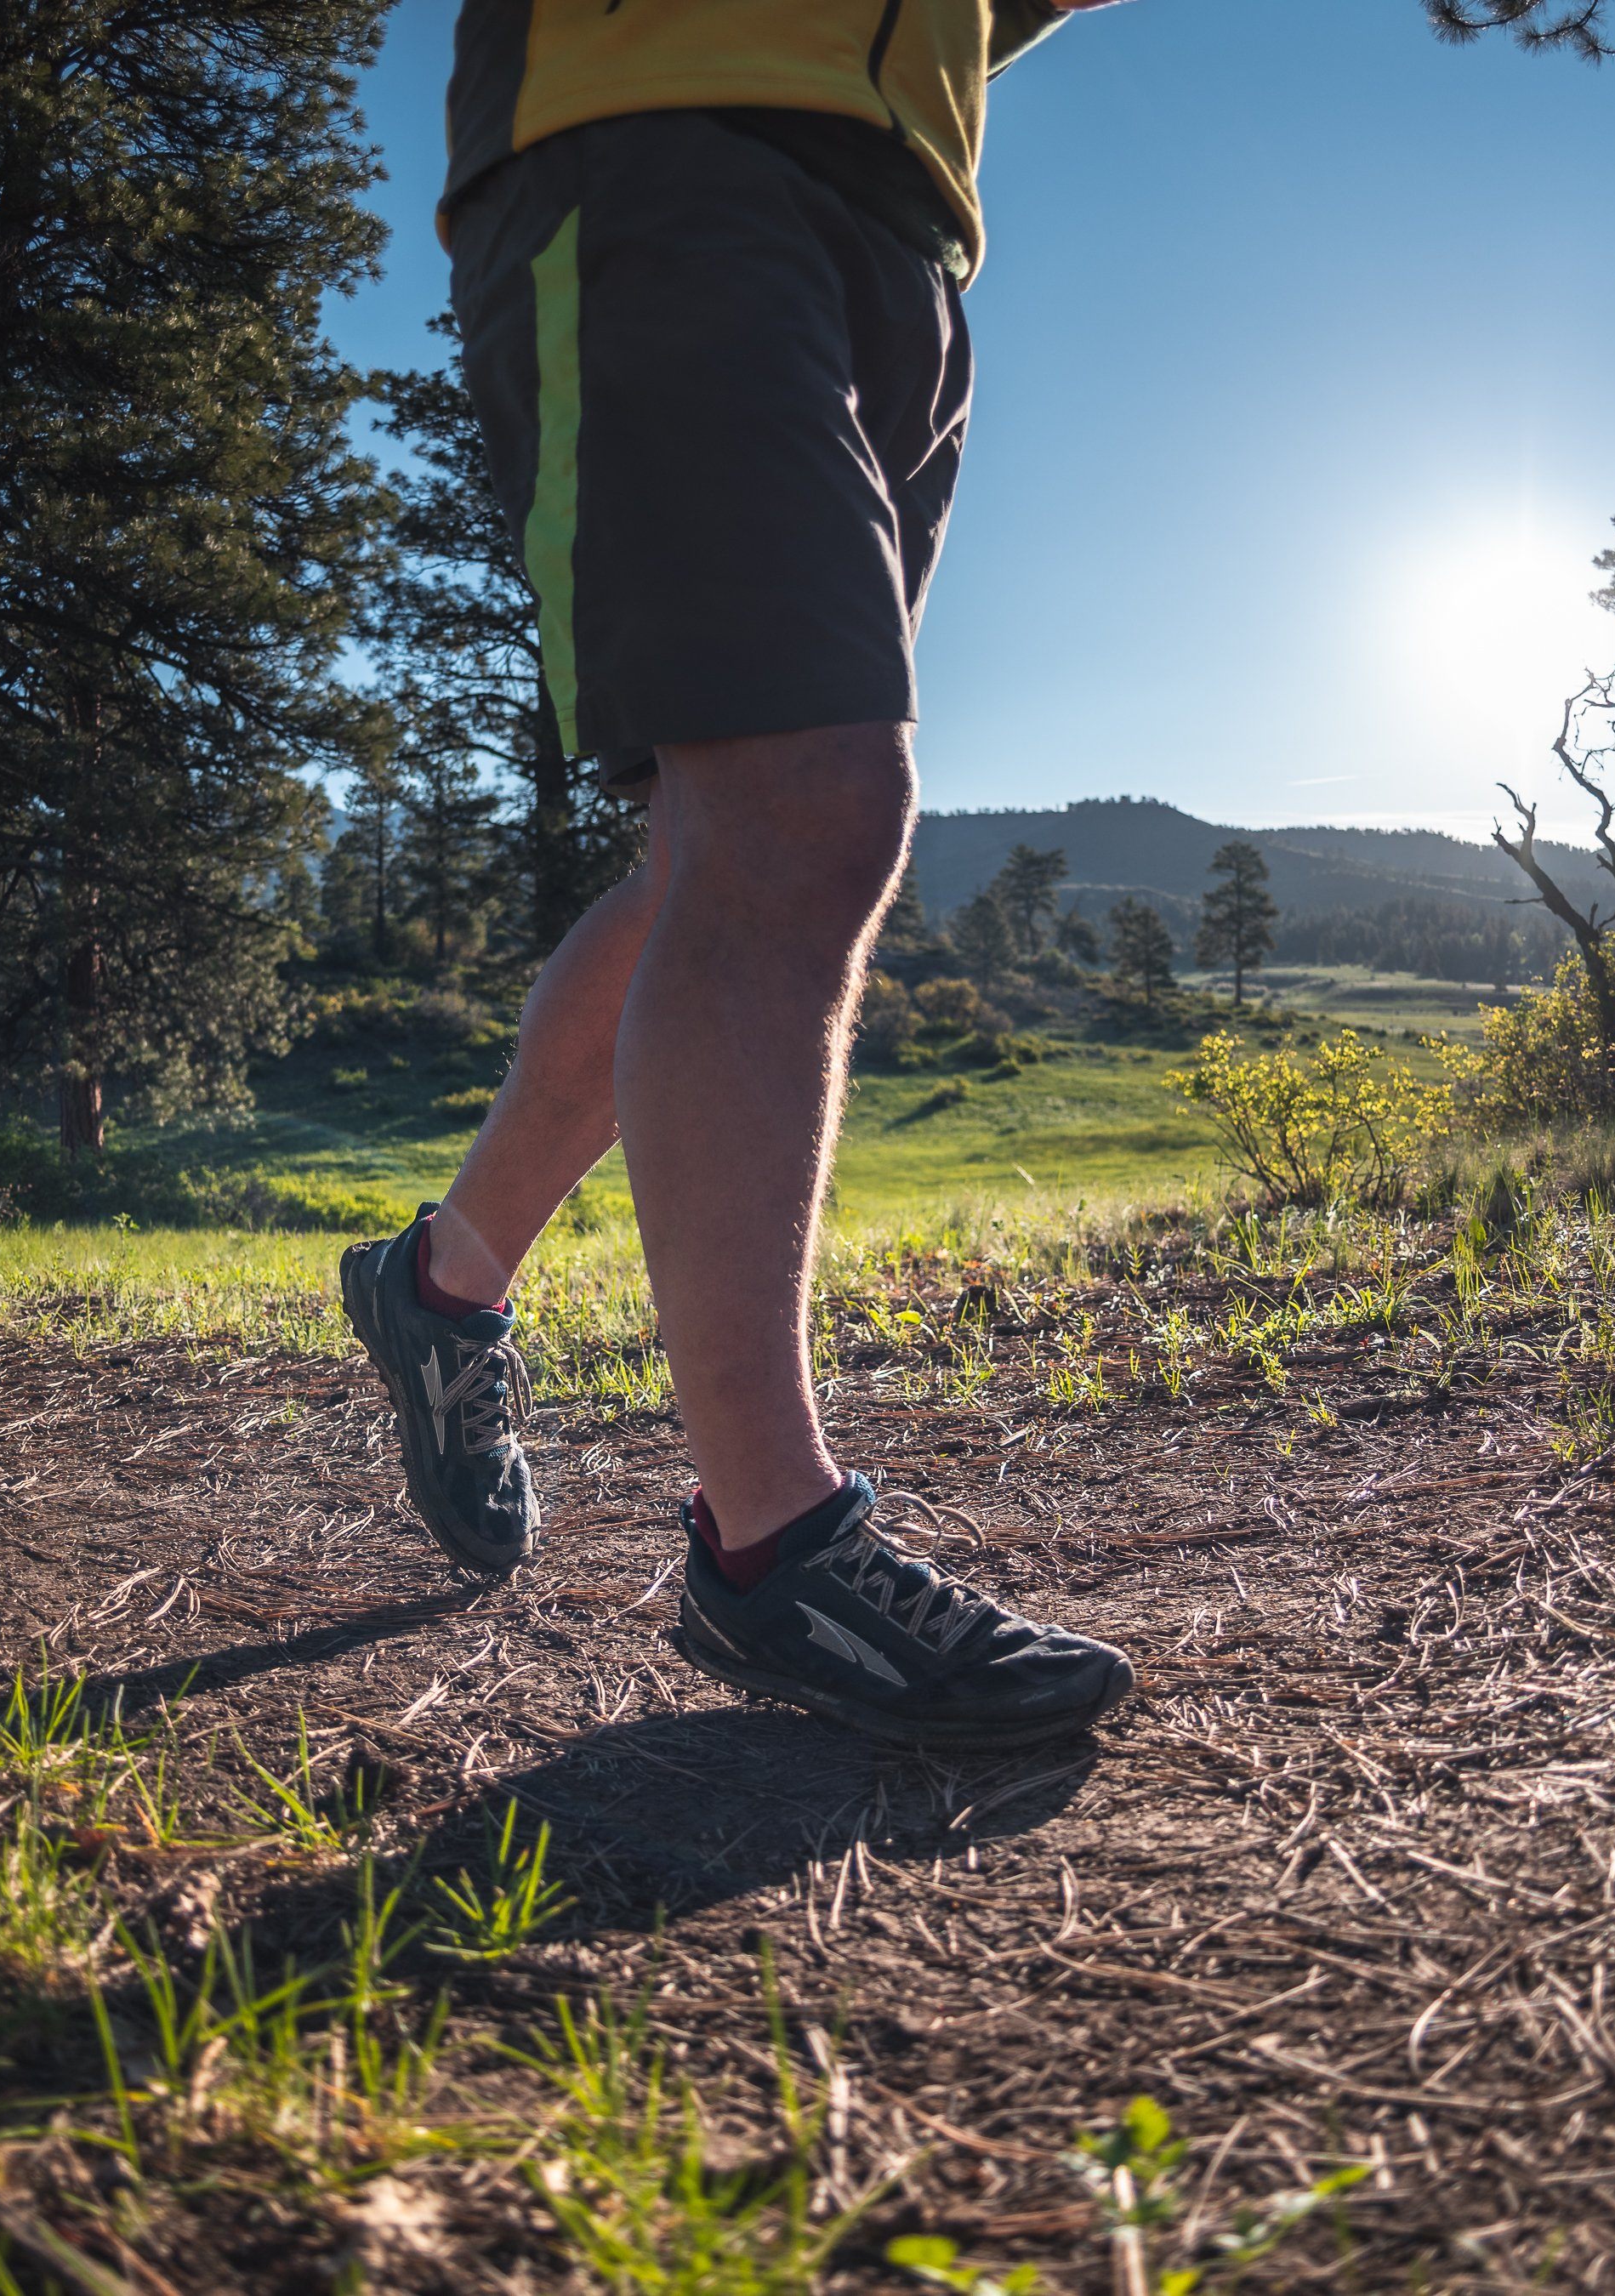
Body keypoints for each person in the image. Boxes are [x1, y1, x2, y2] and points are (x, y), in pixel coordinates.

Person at [341, 0, 1137, 1752]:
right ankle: (770, 1546)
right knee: (807, 805)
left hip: (904, 224)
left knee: (730, 843)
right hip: (648, 128)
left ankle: (443, 1287)